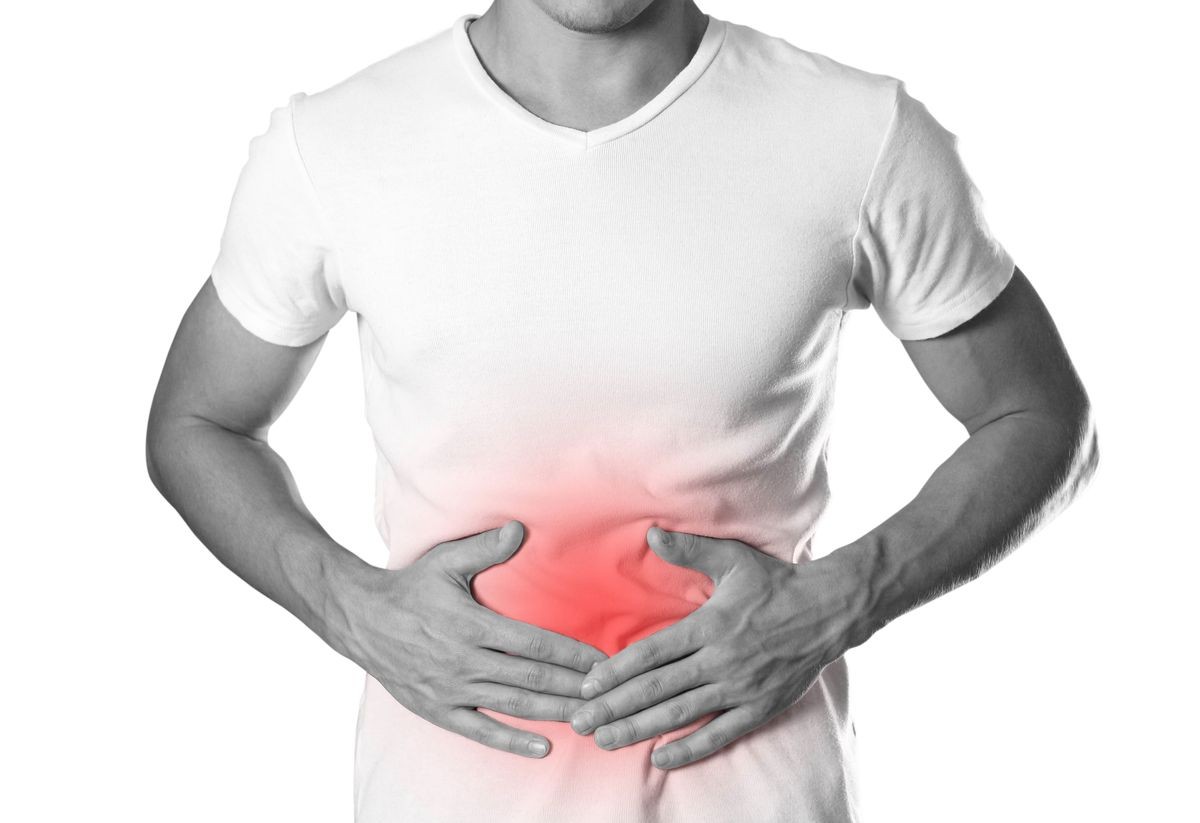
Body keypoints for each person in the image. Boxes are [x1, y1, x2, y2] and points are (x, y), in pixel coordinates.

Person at [145, 1, 1099, 820]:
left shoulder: (856, 131)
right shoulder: (336, 143)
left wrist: (842, 599)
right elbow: (197, 422)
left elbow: (1041, 416)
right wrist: (346, 604)